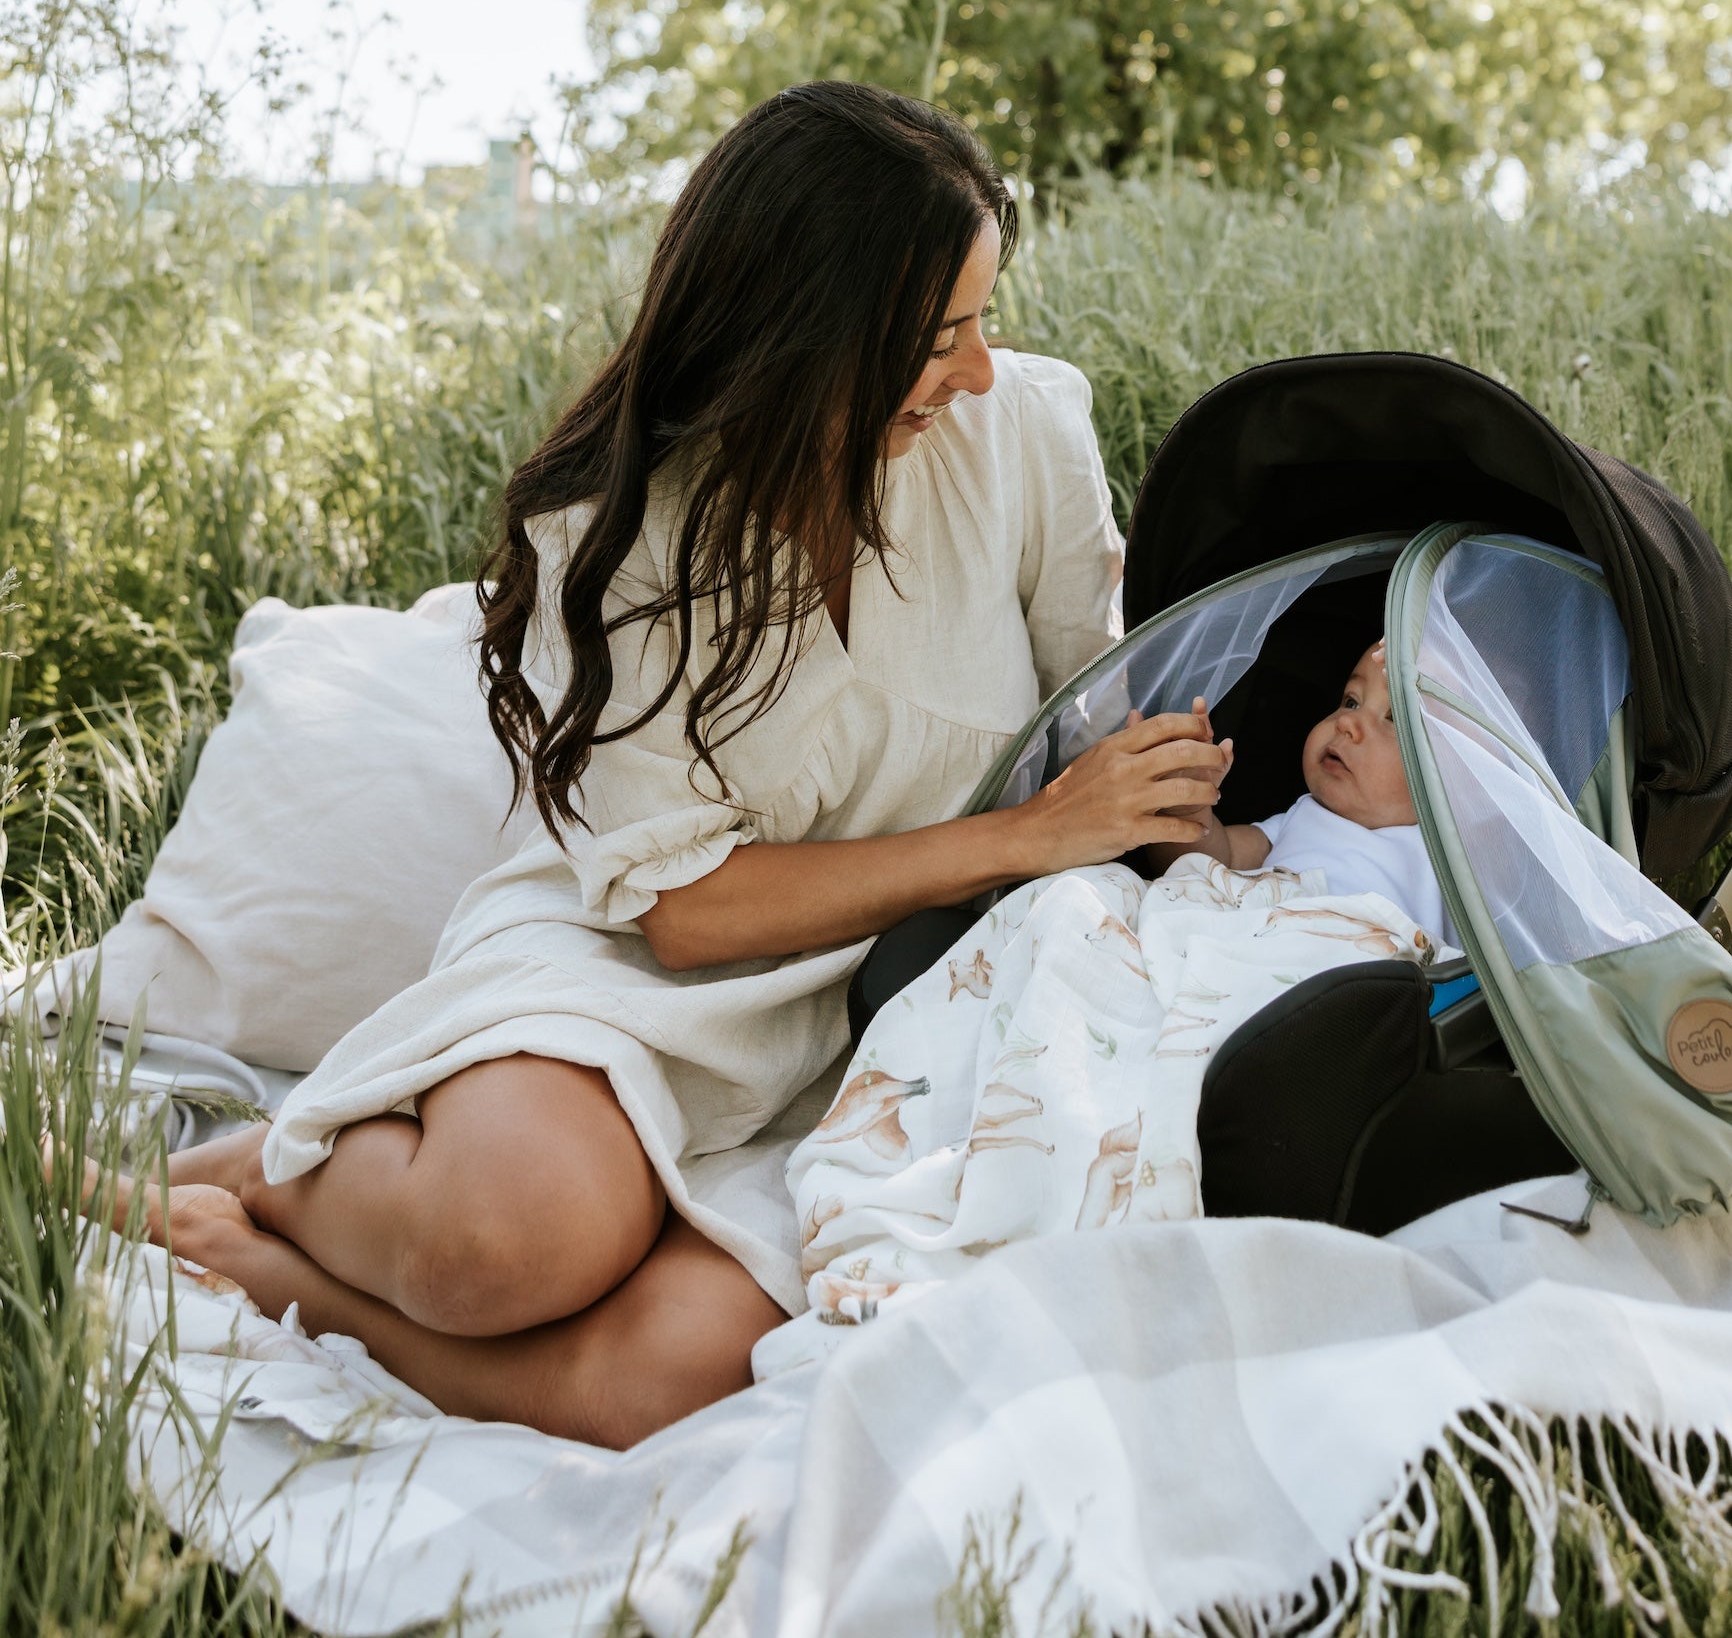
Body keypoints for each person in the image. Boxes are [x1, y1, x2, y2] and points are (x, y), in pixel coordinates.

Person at [128, 83, 1229, 1447]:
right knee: (502, 1250)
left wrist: (1216, 845)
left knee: (679, 1376)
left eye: (983, 320)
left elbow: (1104, 712)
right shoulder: (616, 526)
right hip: (634, 969)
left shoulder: (1026, 434)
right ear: (805, 340)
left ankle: (264, 1255)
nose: (981, 369)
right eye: (941, 337)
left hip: (892, 1003)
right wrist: (1020, 838)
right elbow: (688, 914)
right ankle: (287, 1168)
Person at [1134, 642, 1450, 946]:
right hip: (1262, 945)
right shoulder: (1303, 816)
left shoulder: (1451, 850)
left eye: (1394, 718)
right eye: (1350, 701)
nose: (1347, 722)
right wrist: (1185, 807)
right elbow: (1213, 863)